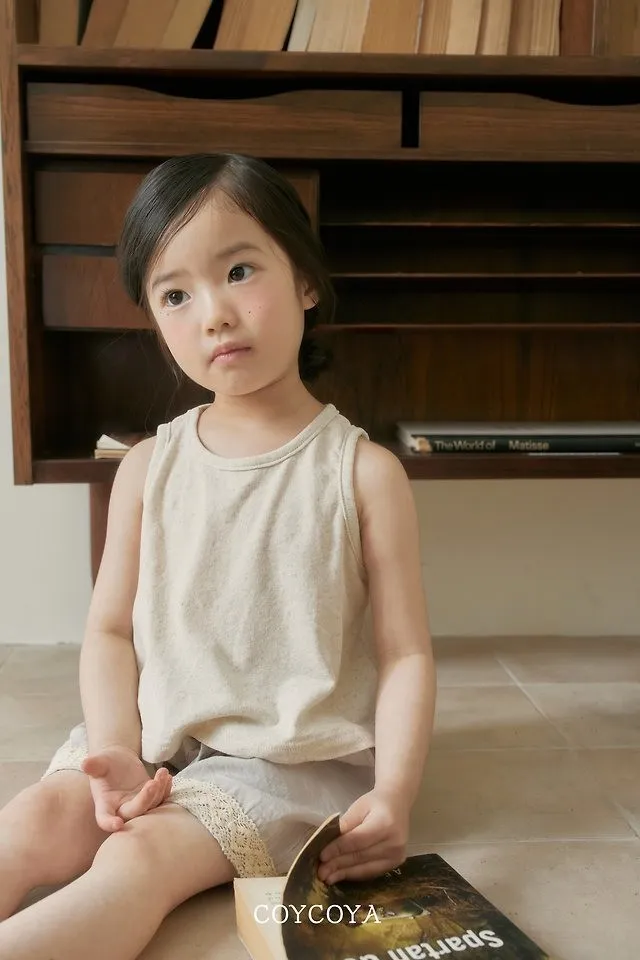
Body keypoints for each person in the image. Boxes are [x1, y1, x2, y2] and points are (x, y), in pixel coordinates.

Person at [0, 154, 436, 960]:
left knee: (139, 859)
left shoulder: (362, 473)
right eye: (176, 294)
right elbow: (109, 633)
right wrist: (117, 748)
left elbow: (405, 653)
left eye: (239, 271)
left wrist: (396, 793)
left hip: (286, 759)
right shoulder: (146, 467)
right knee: (31, 820)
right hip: (157, 735)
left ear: (305, 280)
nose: (215, 315)